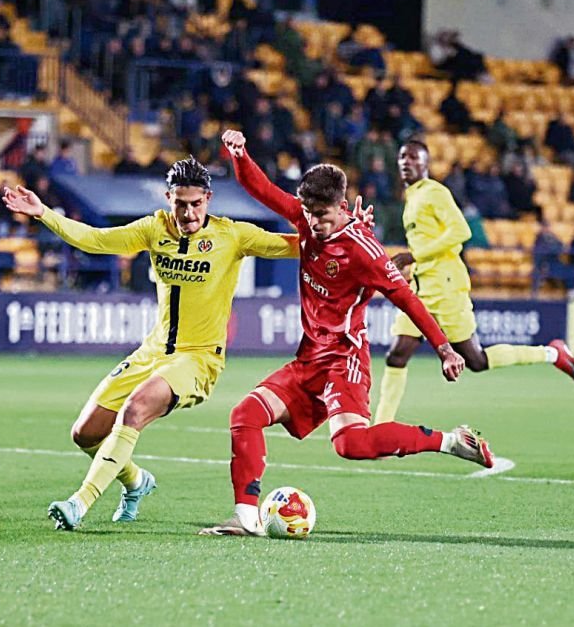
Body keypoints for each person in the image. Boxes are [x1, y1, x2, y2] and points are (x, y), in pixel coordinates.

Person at [5, 156, 370, 531]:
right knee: (85, 433)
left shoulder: (233, 236)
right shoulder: (153, 228)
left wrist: (349, 228)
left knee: (136, 408)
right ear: (168, 198)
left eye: (196, 203)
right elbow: (96, 240)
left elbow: (305, 244)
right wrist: (43, 213)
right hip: (152, 352)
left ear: (209, 199)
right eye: (180, 203)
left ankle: (79, 504)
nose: (189, 212)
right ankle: (135, 481)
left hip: (198, 360)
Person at [198, 130, 498, 537]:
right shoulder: (306, 219)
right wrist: (240, 155)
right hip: (309, 359)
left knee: (350, 445)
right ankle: (247, 518)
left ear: (342, 207)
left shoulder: (364, 250)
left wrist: (444, 347)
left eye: (322, 214)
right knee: (245, 415)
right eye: (308, 213)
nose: (314, 222)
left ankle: (449, 441)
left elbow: (406, 298)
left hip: (344, 358)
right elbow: (262, 189)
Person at [374, 141, 574, 425]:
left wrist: (413, 256)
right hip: (422, 286)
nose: (406, 161)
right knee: (397, 355)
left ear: (426, 164)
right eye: (402, 156)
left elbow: (460, 230)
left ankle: (552, 353)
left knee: (476, 361)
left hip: (446, 286)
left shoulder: (435, 192)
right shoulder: (412, 198)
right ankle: (381, 428)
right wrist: (416, 266)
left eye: (413, 157)